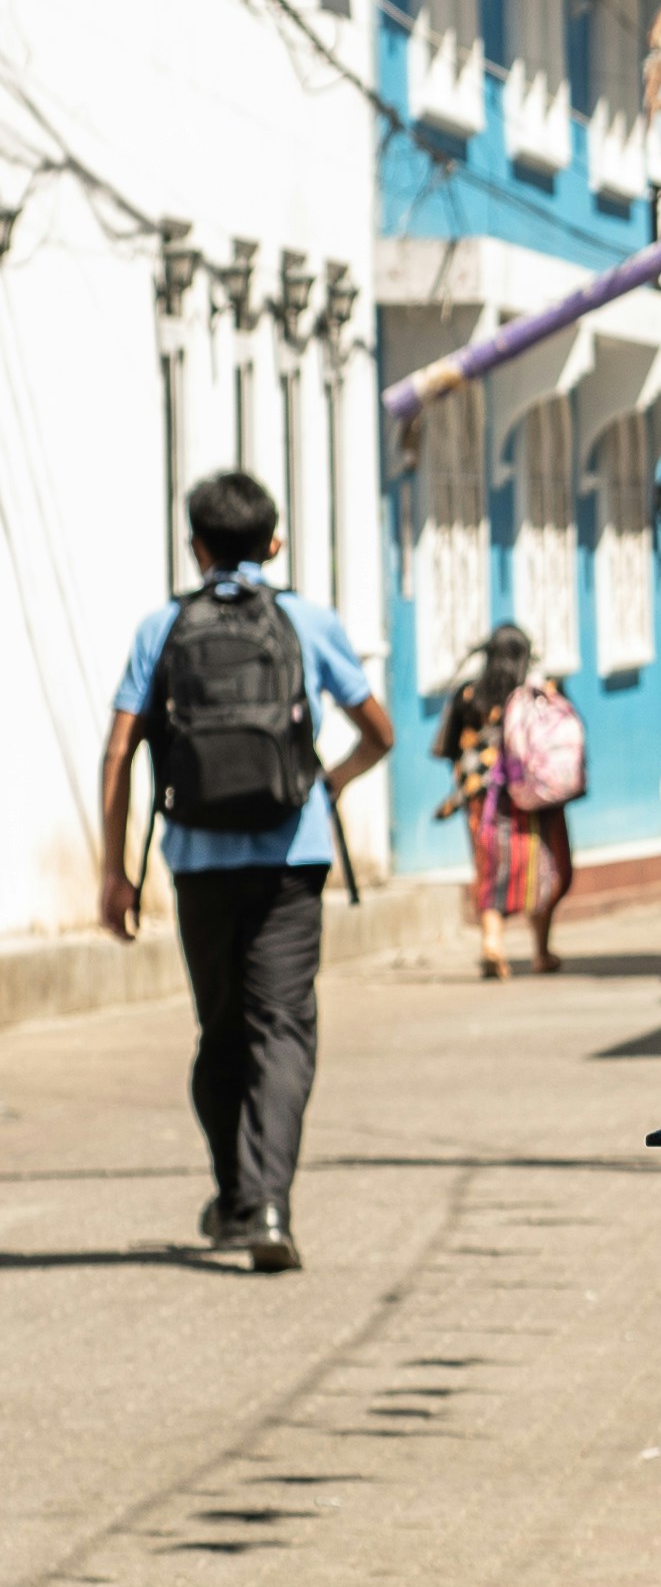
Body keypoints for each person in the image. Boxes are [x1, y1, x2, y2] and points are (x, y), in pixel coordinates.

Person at [94, 467, 394, 1273]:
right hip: (292, 858)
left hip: (197, 862)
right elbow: (381, 731)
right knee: (283, 1027)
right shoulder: (307, 619)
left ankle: (234, 1195)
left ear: (196, 547)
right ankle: (265, 1206)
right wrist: (329, 784)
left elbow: (120, 749)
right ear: (276, 541)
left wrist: (114, 873)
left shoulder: (162, 627)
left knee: (220, 1031)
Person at [431, 619, 581, 975]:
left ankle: (492, 943)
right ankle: (541, 951)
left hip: (484, 801)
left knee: (491, 869)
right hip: (538, 796)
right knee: (545, 867)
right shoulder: (543, 691)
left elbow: (447, 747)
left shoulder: (468, 696)